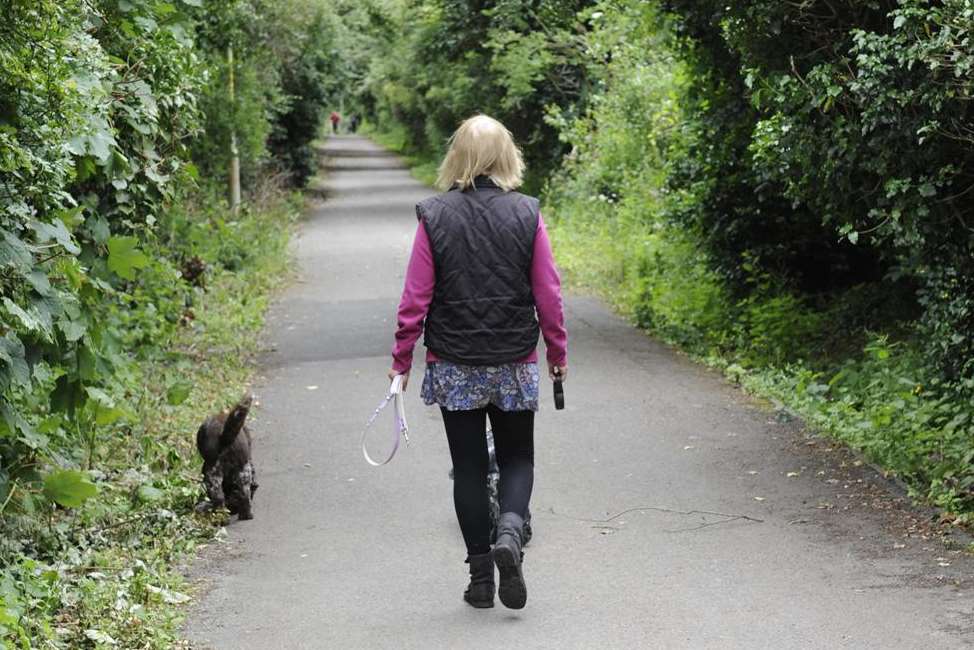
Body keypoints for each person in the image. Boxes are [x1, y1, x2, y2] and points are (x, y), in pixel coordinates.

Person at [388, 114, 568, 610]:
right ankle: (510, 531)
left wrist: (402, 359)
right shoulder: (527, 213)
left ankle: (481, 581)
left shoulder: (434, 214)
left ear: (457, 158)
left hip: (456, 362)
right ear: (506, 157)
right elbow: (547, 292)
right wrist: (557, 351)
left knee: (467, 469)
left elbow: (415, 297)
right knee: (518, 459)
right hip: (513, 358)